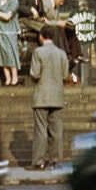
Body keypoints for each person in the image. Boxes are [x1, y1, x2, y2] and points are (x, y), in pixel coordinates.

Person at [28, 24, 69, 170]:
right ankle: (56, 160)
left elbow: (35, 73)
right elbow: (65, 75)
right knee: (56, 130)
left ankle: (39, 161)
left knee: (40, 130)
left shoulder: (38, 52)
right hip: (57, 95)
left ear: (41, 36)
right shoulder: (62, 53)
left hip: (41, 96)